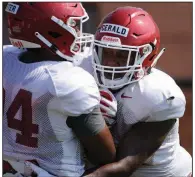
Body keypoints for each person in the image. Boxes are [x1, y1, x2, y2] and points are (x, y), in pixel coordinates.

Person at [3, 2, 116, 177]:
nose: (79, 32)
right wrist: (106, 121)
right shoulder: (68, 80)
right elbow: (104, 155)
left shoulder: (5, 58)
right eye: (74, 25)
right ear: (51, 31)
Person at [84, 6, 192, 177]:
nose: (111, 62)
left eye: (121, 55)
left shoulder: (158, 95)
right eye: (106, 52)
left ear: (146, 55)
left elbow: (123, 167)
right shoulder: (83, 67)